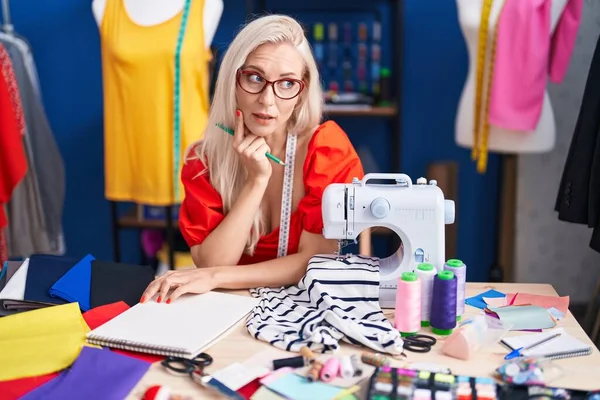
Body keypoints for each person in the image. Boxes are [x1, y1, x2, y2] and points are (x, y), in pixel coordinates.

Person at [140, 15, 364, 304]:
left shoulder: (326, 152)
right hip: (223, 309)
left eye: (286, 83)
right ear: (234, 79)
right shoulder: (203, 161)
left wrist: (217, 277)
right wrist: (256, 181)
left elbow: (313, 261)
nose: (267, 100)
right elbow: (211, 263)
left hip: (303, 307)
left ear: (302, 90)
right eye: (255, 78)